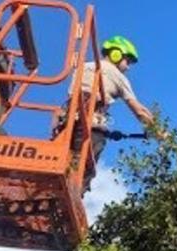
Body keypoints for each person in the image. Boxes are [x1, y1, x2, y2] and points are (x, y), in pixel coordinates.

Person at [64, 35, 161, 190]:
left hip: (67, 123)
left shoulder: (83, 66)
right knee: (83, 171)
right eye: (127, 61)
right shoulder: (117, 75)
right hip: (90, 128)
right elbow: (139, 110)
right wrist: (158, 131)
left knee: (66, 162)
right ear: (116, 54)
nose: (128, 67)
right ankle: (76, 193)